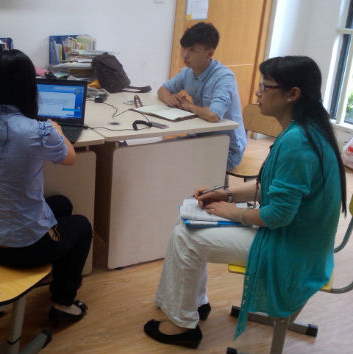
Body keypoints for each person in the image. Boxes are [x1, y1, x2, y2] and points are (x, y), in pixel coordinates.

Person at [145, 55, 347, 349]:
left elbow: (277, 216)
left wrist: (232, 212)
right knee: (187, 217)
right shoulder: (304, 130)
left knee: (185, 236)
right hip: (292, 236)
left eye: (265, 87)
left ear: (292, 94)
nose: (258, 93)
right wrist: (225, 194)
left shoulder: (298, 142)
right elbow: (272, 188)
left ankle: (183, 326)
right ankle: (194, 305)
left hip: (291, 249)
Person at [0, 49, 93, 324]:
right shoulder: (40, 132)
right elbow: (69, 158)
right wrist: (57, 129)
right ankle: (63, 302)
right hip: (25, 247)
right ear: (30, 88)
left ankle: (54, 269)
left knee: (62, 204)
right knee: (82, 226)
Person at [157, 22, 247, 170]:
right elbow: (162, 90)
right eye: (184, 48)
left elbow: (213, 115)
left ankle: (215, 184)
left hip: (227, 148)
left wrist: (188, 106)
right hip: (201, 137)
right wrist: (172, 100)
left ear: (209, 53)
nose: (185, 55)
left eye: (192, 50)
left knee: (175, 162)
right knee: (158, 150)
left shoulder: (224, 77)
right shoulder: (188, 72)